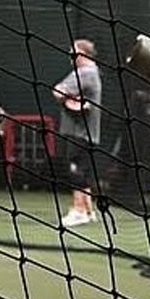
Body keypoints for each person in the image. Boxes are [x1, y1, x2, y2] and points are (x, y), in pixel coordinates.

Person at [51, 38, 104, 227]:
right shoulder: (94, 72)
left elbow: (58, 91)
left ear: (82, 53)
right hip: (89, 132)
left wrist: (67, 98)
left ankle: (78, 211)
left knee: (76, 170)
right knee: (84, 171)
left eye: (73, 51)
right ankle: (89, 210)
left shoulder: (84, 73)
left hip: (79, 131)